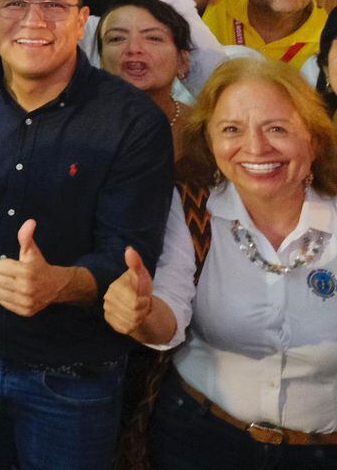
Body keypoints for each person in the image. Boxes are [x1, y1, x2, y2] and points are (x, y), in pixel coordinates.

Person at [0, 0, 173, 470]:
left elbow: (129, 254)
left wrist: (60, 283)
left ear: (82, 20)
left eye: (54, 6)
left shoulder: (132, 123)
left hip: (72, 378)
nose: (34, 20)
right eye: (15, 4)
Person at [104, 58, 337, 467]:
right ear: (209, 141)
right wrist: (141, 313)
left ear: (314, 140)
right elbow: (170, 312)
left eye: (277, 128)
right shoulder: (191, 205)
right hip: (199, 438)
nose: (256, 147)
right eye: (231, 129)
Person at [96, 0, 194, 152]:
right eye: (116, 38)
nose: (133, 48)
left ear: (182, 61)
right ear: (101, 60)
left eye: (153, 38)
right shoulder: (77, 126)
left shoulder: (203, 128)